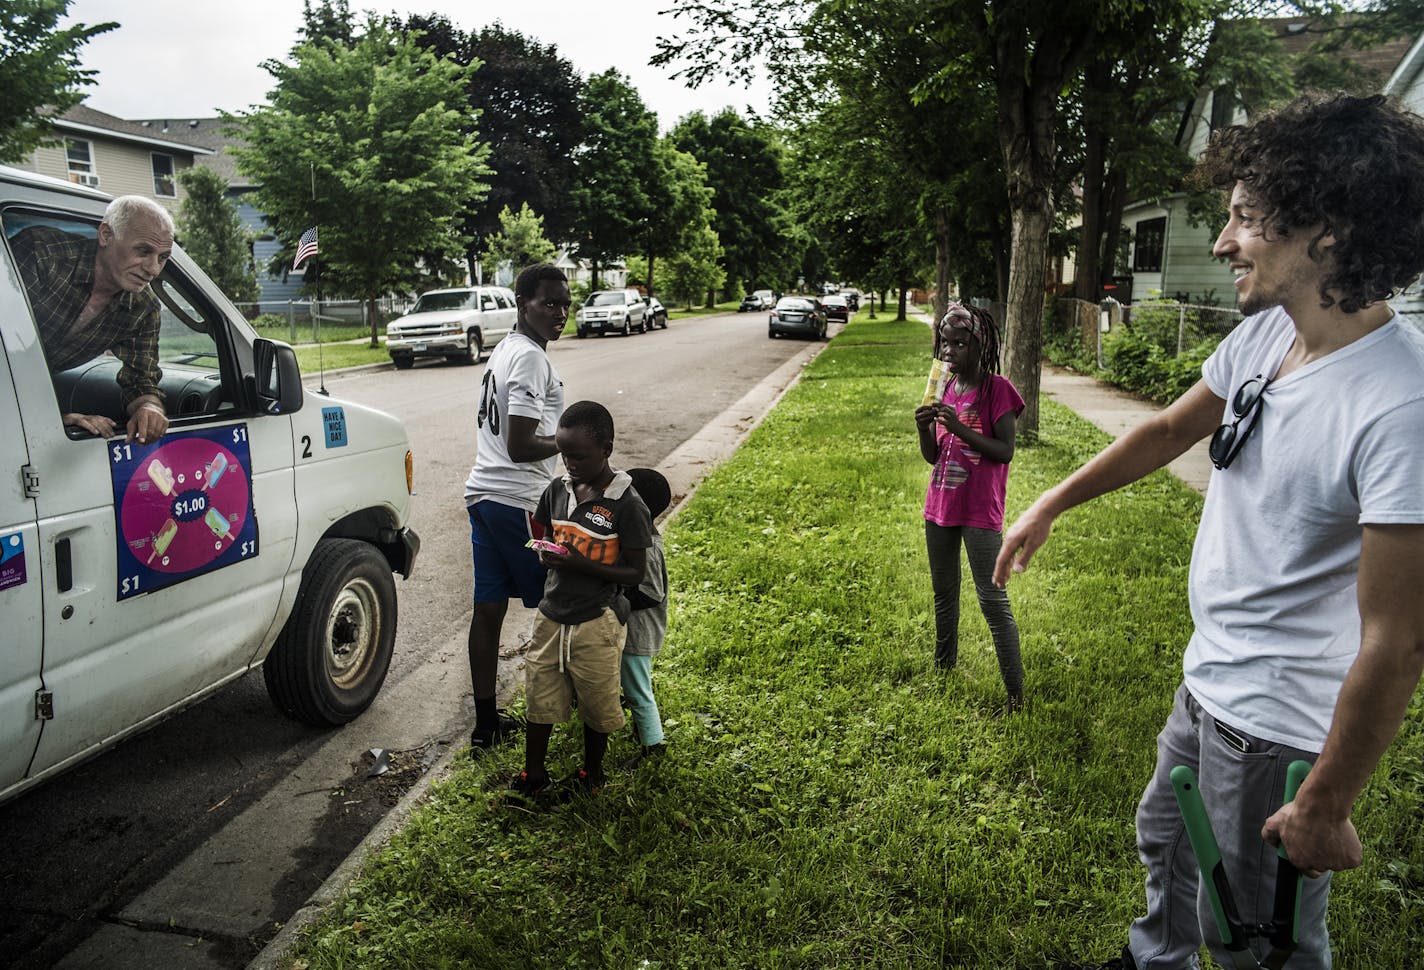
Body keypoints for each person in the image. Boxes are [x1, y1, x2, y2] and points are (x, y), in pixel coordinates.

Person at [993, 92, 1424, 970]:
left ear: (1327, 231)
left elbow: (1399, 640)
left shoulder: (1399, 405)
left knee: (1256, 934)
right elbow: (1166, 431)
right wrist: (1051, 503)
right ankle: (1154, 961)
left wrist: (1327, 804)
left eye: (1246, 221)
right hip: (1208, 684)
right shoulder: (1267, 336)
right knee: (1170, 850)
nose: (1224, 242)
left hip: (1277, 731)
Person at [508, 401, 652, 799]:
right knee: (539, 693)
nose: (569, 464)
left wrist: (580, 563)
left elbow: (634, 573)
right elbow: (547, 535)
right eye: (564, 454)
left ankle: (592, 773)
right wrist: (545, 552)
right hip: (552, 613)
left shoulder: (628, 504)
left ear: (606, 448)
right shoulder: (557, 491)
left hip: (597, 619)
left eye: (579, 456)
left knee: (596, 700)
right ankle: (533, 776)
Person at [463, 263, 570, 753]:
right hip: (517, 502)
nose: (559, 312)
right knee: (567, 602)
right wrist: (571, 440)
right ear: (523, 303)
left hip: (484, 497)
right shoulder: (528, 358)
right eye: (549, 303)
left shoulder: (504, 350)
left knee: (488, 611)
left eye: (565, 304)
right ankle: (566, 712)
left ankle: (486, 727)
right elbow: (522, 443)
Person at [914, 302, 1026, 714]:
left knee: (993, 602)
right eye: (945, 344)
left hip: (980, 511)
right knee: (944, 592)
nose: (949, 353)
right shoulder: (943, 387)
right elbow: (933, 456)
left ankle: (1015, 696)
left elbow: (1005, 451)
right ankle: (944, 669)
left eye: (959, 344)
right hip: (940, 505)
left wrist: (959, 427)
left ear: (980, 345)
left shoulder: (999, 389)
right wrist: (924, 427)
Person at [9, 195, 173, 443]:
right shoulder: (42, 254)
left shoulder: (143, 308)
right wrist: (57, 418)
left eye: (162, 257)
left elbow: (141, 381)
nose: (153, 269)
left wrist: (150, 409)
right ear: (106, 235)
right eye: (144, 251)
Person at [621, 467, 672, 768]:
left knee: (638, 691)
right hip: (631, 632)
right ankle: (642, 730)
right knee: (633, 686)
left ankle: (654, 746)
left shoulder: (648, 547)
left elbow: (652, 593)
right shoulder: (637, 537)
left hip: (638, 634)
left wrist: (617, 599)